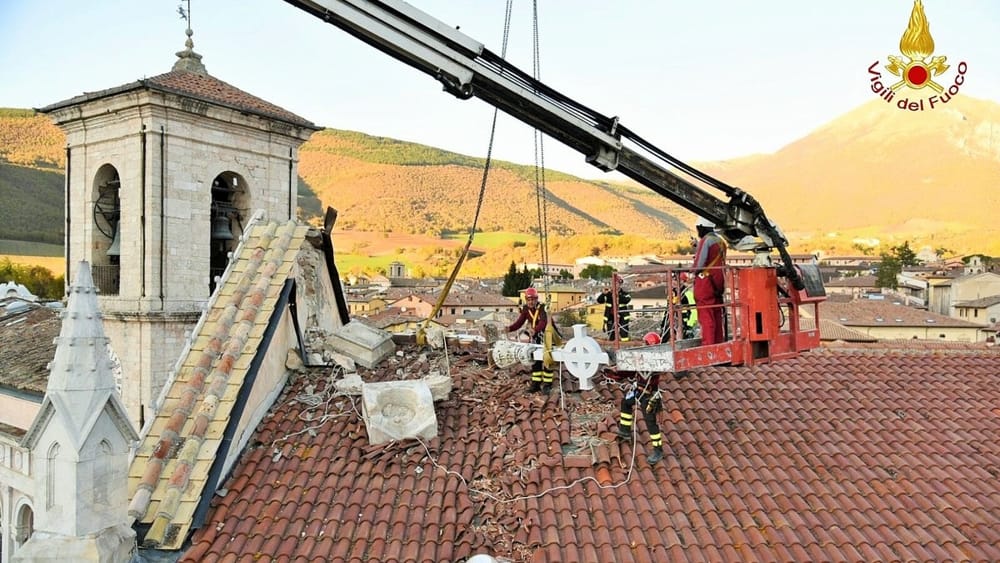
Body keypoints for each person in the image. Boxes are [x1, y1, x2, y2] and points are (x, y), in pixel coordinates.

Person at [615, 331, 666, 464]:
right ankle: (625, 430)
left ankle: (658, 450)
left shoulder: (657, 361)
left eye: (645, 343)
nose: (643, 345)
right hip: (639, 390)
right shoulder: (643, 358)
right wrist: (615, 373)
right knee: (626, 403)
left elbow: (644, 371)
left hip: (649, 395)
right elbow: (630, 371)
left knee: (651, 424)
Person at [506, 287, 554, 392]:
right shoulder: (525, 309)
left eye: (533, 299)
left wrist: (534, 330)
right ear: (526, 300)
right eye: (529, 300)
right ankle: (536, 384)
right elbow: (520, 322)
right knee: (535, 359)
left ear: (536, 299)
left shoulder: (542, 308)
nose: (531, 302)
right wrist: (510, 328)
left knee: (547, 359)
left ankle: (547, 384)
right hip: (536, 335)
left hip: (548, 334)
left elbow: (544, 322)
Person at [691, 217, 727, 345]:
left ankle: (708, 347)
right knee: (716, 314)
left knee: (706, 316)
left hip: (705, 283)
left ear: (702, 227)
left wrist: (691, 270)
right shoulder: (721, 241)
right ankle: (718, 345)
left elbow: (699, 264)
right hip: (718, 283)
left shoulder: (705, 241)